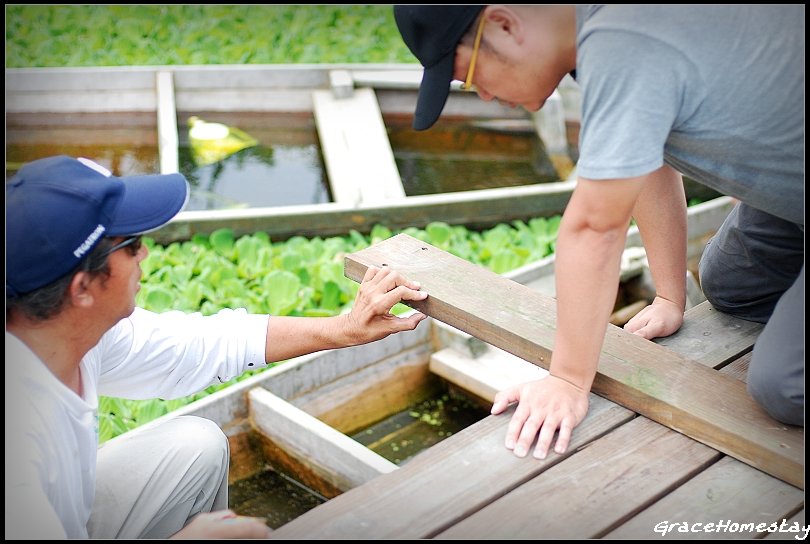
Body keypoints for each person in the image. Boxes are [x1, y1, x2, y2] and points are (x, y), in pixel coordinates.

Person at [393, 5, 804, 459]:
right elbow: (651, 157)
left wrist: (568, 379)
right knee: (732, 285)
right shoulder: (595, 30)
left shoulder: (622, 41)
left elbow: (594, 227)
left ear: (504, 24)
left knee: (784, 385)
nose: (484, 96)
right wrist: (670, 295)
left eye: (469, 77)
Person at [5, 155, 429, 539]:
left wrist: (343, 329)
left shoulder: (66, 330)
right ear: (82, 288)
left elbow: (200, 345)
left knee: (196, 446)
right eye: (130, 245)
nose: (146, 254)